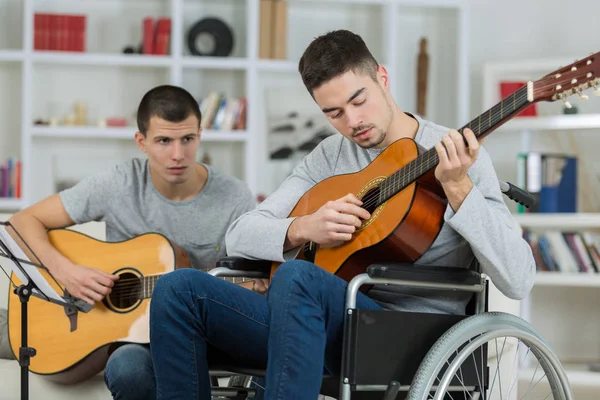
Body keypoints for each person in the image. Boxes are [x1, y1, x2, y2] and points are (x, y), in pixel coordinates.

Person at [148, 30, 536, 399]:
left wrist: (458, 188)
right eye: (333, 113)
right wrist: (303, 228)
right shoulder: (329, 156)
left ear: (382, 77)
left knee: (299, 277)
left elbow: (518, 278)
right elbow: (240, 233)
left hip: (408, 331)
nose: (352, 122)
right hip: (318, 320)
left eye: (358, 100)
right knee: (177, 289)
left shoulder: (457, 152)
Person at [7, 84, 257, 400]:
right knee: (127, 368)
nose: (178, 154)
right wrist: (66, 272)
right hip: (130, 337)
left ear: (200, 134)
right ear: (141, 141)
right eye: (164, 141)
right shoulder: (119, 183)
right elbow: (20, 223)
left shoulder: (235, 198)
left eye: (187, 139)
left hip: (201, 330)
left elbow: (257, 279)